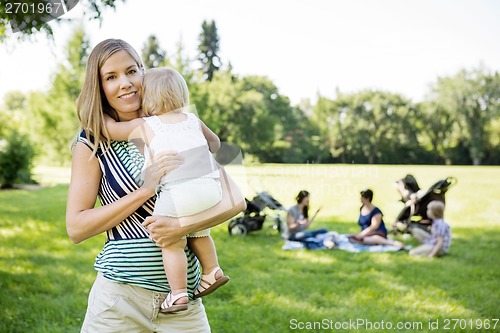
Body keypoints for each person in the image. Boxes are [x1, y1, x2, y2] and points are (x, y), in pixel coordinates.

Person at [66, 39, 245, 333]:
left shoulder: (179, 125)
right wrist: (145, 190)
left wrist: (180, 226)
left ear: (144, 74)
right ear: (99, 87)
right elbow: (76, 228)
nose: (125, 83)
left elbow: (236, 201)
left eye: (131, 71)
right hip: (119, 301)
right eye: (111, 77)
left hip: (182, 304)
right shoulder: (92, 141)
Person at [104, 67, 229, 313]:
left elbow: (110, 130)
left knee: (171, 241)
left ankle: (178, 293)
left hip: (177, 191)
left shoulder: (147, 125)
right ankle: (212, 270)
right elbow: (215, 143)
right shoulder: (193, 120)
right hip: (210, 188)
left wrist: (104, 118)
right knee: (200, 232)